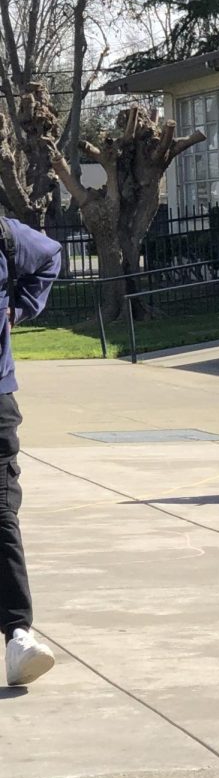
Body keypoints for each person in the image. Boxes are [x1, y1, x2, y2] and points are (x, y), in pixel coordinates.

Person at [1, 217, 61, 686]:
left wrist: (19, 309)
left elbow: (49, 254)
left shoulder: (3, 233)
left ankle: (19, 635)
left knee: (1, 513)